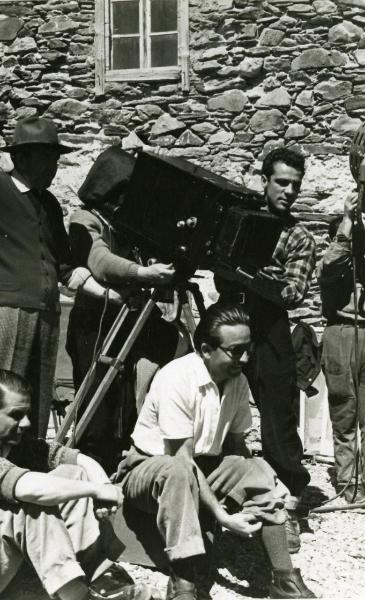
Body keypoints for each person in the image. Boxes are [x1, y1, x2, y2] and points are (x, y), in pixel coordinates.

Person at [114, 303, 316, 600]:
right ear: (207, 349)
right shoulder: (177, 377)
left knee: (256, 467)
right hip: (150, 471)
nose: (245, 358)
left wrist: (265, 486)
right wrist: (222, 516)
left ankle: (284, 577)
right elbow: (180, 459)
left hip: (201, 468)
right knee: (179, 471)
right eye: (236, 351)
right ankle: (182, 581)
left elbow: (236, 449)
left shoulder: (238, 382)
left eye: (249, 348)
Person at [215, 147, 316, 552]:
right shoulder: (240, 218)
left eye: (295, 185)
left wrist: (251, 274)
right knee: (216, 406)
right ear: (264, 180)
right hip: (228, 318)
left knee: (278, 417)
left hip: (271, 326)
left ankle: (289, 504)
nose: (288, 191)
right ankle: (219, 497)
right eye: (281, 182)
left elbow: (291, 293)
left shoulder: (300, 236)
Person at [66, 146, 179, 474]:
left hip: (128, 321)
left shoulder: (127, 227)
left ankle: (121, 466)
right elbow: (99, 260)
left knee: (125, 403)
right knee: (99, 405)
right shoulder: (85, 219)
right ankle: (92, 470)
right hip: (95, 321)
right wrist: (143, 274)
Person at [0, 369, 152, 600]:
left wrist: (103, 486)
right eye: (16, 414)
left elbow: (73, 458)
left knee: (71, 474)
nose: (27, 422)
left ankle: (99, 576)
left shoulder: (16, 444)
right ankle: (80, 596)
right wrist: (96, 490)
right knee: (34, 504)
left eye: (27, 413)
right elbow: (27, 487)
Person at [0, 116, 81, 438]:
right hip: (8, 310)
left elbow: (63, 262)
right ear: (20, 158)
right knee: (6, 397)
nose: (54, 167)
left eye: (56, 159)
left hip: (47, 312)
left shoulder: (49, 203)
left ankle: (29, 470)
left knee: (37, 399)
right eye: (46, 157)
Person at [317, 193, 365, 503]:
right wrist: (348, 222)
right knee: (345, 413)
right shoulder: (336, 259)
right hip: (342, 333)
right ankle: (349, 486)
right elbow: (329, 266)